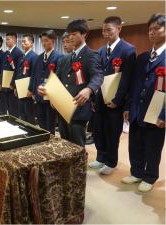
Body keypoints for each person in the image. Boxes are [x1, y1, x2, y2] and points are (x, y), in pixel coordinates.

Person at [39, 20, 104, 146]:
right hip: (62, 107)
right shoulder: (66, 58)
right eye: (69, 35)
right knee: (65, 144)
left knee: (77, 146)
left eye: (74, 34)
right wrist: (45, 88)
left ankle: (79, 167)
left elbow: (98, 76)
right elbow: (56, 79)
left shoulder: (91, 55)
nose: (70, 37)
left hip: (78, 109)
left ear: (84, 34)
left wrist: (89, 89)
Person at [121, 13, 165, 192]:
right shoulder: (143, 58)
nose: (152, 32)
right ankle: (136, 172)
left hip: (157, 110)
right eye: (150, 29)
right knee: (135, 142)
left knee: (152, 145)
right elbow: (134, 84)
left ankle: (150, 176)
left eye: (157, 28)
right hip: (137, 108)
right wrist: (127, 106)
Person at [90, 16, 136, 175]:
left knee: (112, 131)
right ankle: (101, 156)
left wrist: (118, 100)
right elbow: (97, 75)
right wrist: (94, 97)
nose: (105, 33)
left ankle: (111, 161)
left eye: (109, 30)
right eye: (103, 30)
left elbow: (127, 79)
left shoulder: (128, 50)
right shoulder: (102, 50)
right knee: (99, 129)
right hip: (100, 97)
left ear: (119, 29)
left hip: (116, 101)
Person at [30, 30, 62, 134]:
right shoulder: (39, 57)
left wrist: (55, 96)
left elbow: (58, 78)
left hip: (50, 97)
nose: (44, 43)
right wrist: (33, 91)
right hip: (39, 95)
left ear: (53, 40)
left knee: (50, 124)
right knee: (41, 122)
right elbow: (35, 75)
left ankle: (50, 144)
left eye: (46, 40)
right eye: (42, 41)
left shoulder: (59, 57)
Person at [13, 34, 38, 124]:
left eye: (25, 41)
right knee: (22, 112)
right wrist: (16, 87)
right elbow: (18, 73)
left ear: (31, 43)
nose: (22, 44)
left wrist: (31, 89)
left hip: (28, 89)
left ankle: (31, 132)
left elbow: (34, 74)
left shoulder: (34, 56)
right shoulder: (22, 56)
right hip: (21, 87)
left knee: (29, 113)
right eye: (22, 42)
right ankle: (24, 129)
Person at [0, 33, 23, 117]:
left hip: (12, 86)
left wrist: (13, 84)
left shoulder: (18, 53)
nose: (6, 41)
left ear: (14, 40)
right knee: (8, 107)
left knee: (14, 109)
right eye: (6, 39)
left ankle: (15, 124)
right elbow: (2, 68)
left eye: (8, 39)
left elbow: (18, 70)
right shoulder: (6, 53)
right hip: (5, 84)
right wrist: (0, 82)